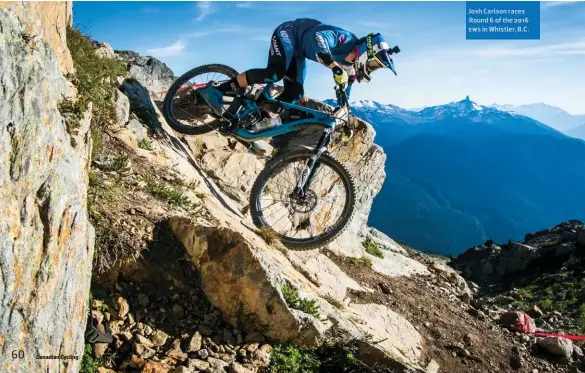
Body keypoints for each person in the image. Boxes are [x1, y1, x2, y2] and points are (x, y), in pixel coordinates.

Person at [200, 18, 400, 152]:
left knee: (294, 95)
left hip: (298, 53)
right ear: (367, 51)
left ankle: (249, 124)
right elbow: (317, 38)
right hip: (288, 34)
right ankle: (220, 90)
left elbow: (344, 92)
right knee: (274, 73)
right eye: (375, 64)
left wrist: (344, 112)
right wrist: (333, 65)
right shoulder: (344, 38)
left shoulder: (352, 68)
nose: (372, 68)